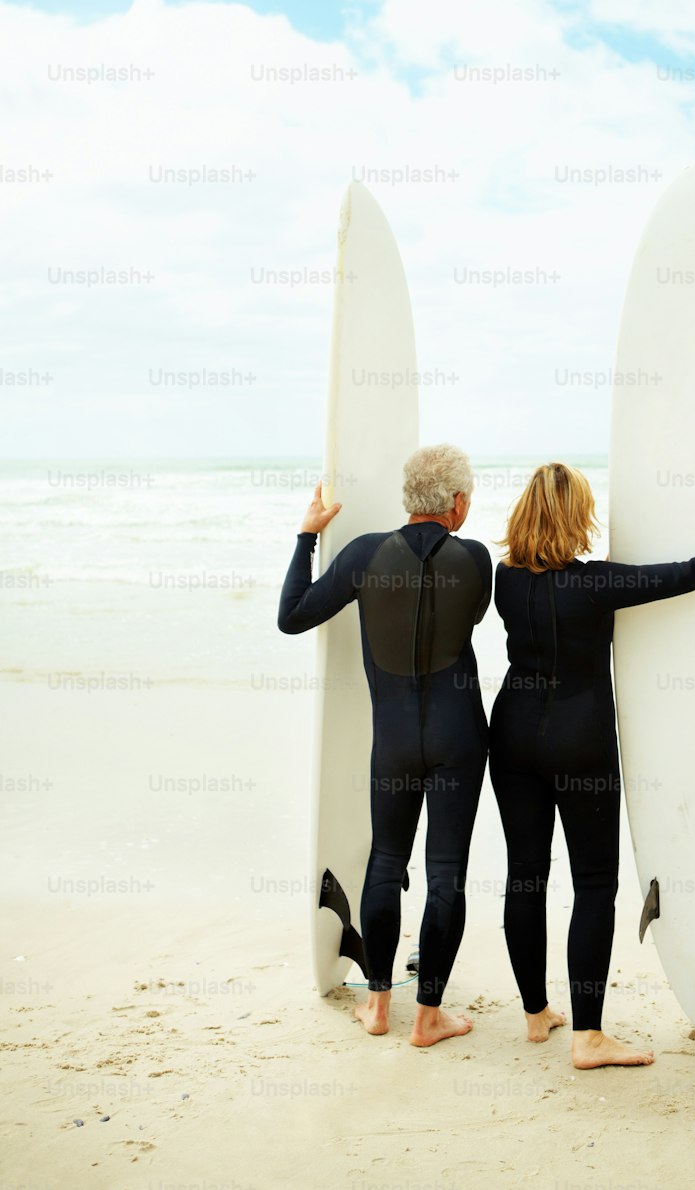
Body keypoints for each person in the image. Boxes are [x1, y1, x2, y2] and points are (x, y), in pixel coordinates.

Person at [489, 463, 695, 1069]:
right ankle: (587, 1037)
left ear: (524, 514)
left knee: (525, 875)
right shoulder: (596, 585)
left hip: (509, 735)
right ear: (577, 517)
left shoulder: (503, 579)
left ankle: (536, 1015)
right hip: (579, 742)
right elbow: (691, 575)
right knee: (594, 885)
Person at [277, 444, 491, 1047]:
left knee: (386, 862)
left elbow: (291, 616)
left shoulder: (365, 555)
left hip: (392, 740)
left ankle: (377, 1006)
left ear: (407, 498)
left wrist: (305, 536)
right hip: (459, 738)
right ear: (457, 503)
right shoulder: (476, 559)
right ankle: (428, 1017)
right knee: (446, 872)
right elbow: (470, 613)